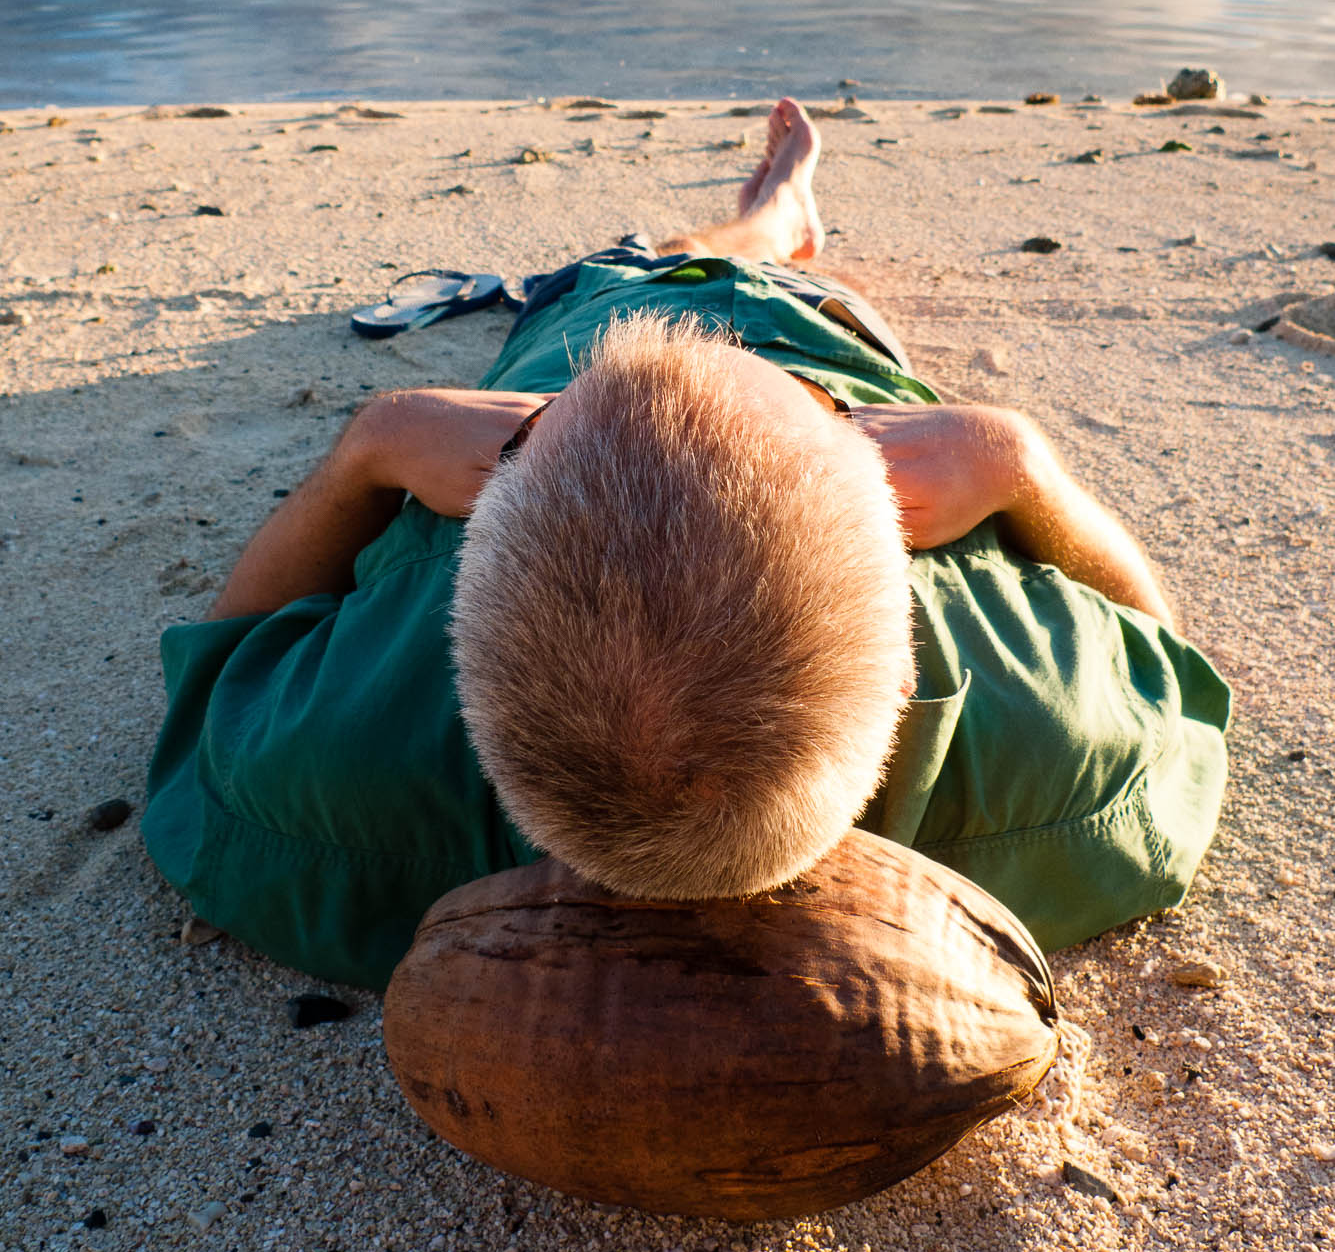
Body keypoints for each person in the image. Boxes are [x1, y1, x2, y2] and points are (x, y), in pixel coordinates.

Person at [143, 100, 1229, 989]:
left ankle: (749, 227)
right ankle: (776, 224)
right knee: (750, 272)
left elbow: (220, 672)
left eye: (536, 439)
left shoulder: (327, 779)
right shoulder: (1060, 760)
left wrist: (372, 448)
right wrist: (1018, 464)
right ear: (902, 580)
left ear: (458, 598)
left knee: (640, 272)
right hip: (826, 332)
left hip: (578, 325)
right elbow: (1162, 662)